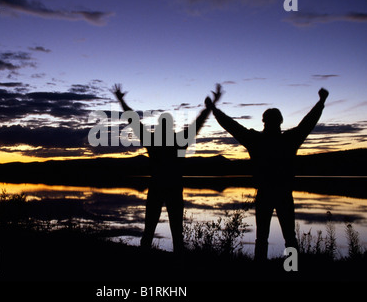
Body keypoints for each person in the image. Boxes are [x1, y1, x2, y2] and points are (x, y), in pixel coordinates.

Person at [205, 84, 329, 260]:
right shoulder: (288, 140)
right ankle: (290, 269)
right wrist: (321, 102)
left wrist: (214, 110)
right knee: (288, 237)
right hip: (283, 193)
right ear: (280, 121)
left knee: (263, 237)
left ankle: (261, 271)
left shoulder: (257, 140)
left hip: (267, 193)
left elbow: (231, 126)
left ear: (264, 122)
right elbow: (308, 123)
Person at [114, 83, 219, 253]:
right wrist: (211, 105)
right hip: (173, 188)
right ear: (171, 127)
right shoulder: (179, 141)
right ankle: (176, 260)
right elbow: (198, 122)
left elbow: (133, 120)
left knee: (153, 230)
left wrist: (121, 100)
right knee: (176, 231)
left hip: (159, 187)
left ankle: (148, 257)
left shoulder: (153, 141)